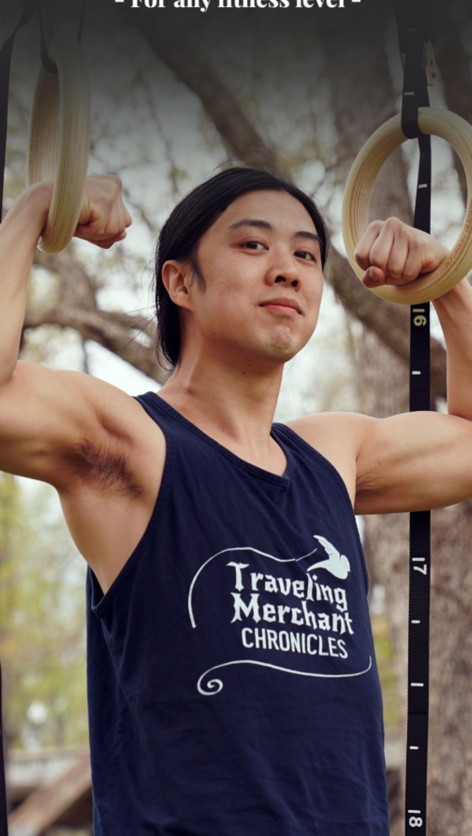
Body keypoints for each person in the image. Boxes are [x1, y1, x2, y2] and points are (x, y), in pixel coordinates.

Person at [1, 166, 471, 836]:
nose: (287, 269)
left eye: (306, 254)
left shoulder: (332, 458)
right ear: (180, 282)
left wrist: (445, 282)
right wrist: (36, 209)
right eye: (254, 245)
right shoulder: (132, 444)